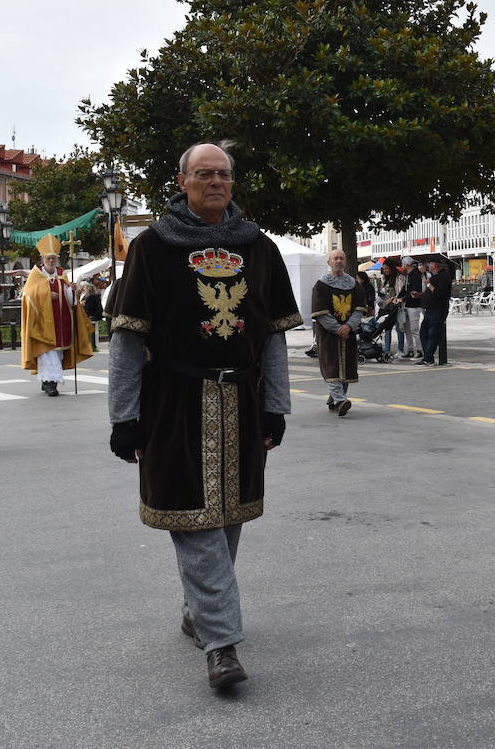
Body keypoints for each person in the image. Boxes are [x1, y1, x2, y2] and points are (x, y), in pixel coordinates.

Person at [107, 142, 300, 691]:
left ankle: (199, 611)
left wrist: (275, 407)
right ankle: (222, 644)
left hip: (241, 399)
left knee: (229, 515)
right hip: (173, 399)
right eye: (204, 174)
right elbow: (126, 340)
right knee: (193, 521)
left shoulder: (259, 248)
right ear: (183, 180)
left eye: (224, 174)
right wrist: (125, 417)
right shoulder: (152, 246)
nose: (215, 182)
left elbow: (274, 341)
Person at [20, 235, 94, 396]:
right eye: (48, 258)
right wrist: (47, 295)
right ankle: (50, 384)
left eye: (53, 258)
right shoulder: (35, 275)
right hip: (42, 324)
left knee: (57, 355)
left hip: (61, 323)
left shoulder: (62, 275)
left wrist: (72, 290)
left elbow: (70, 301)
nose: (51, 261)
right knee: (48, 354)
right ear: (42, 259)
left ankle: (47, 381)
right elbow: (27, 296)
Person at [312, 249, 367, 416]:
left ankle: (335, 399)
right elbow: (320, 311)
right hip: (328, 334)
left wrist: (348, 326)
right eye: (335, 258)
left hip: (348, 333)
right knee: (333, 366)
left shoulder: (353, 284)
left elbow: (359, 309)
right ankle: (341, 400)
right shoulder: (321, 285)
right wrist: (338, 328)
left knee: (346, 367)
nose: (338, 261)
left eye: (341, 258)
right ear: (329, 262)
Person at [418, 259, 451, 365]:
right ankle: (428, 356)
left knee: (433, 334)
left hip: (438, 309)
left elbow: (439, 293)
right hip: (429, 309)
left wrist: (428, 285)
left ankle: (428, 358)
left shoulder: (444, 277)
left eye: (430, 264)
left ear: (435, 265)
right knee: (423, 332)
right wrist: (420, 295)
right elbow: (430, 293)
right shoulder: (434, 277)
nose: (428, 266)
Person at [400, 257, 423, 360]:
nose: (402, 266)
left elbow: (414, 289)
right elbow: (405, 289)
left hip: (414, 305)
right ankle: (410, 349)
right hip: (408, 304)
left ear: (407, 264)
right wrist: (398, 297)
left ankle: (419, 350)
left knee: (414, 328)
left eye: (403, 264)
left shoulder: (415, 274)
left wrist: (403, 298)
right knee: (407, 328)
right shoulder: (409, 275)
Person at [79, 281, 104, 350]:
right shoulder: (96, 296)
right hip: (96, 315)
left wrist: (83, 305)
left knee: (91, 331)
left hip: (91, 315)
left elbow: (88, 307)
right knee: (95, 331)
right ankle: (93, 345)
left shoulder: (91, 297)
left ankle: (91, 345)